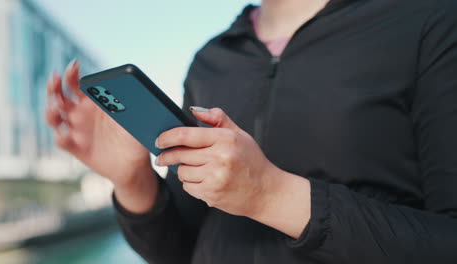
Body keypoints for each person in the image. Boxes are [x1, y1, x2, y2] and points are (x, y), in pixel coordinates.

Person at [45, 0, 457, 263]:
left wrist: (270, 194)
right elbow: (180, 251)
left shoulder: (430, 22)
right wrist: (134, 181)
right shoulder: (212, 58)